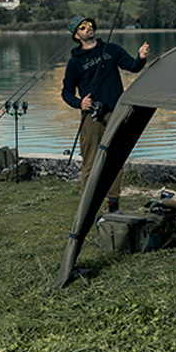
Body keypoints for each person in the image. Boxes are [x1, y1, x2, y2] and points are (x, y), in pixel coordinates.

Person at [61, 15, 149, 212]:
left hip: (116, 113)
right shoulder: (75, 63)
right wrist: (79, 103)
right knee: (90, 162)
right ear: (76, 35)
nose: (88, 28)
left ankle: (113, 204)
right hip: (91, 117)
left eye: (89, 24)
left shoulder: (112, 49)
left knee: (115, 159)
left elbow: (132, 66)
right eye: (82, 27)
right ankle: (87, 206)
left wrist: (141, 57)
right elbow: (66, 92)